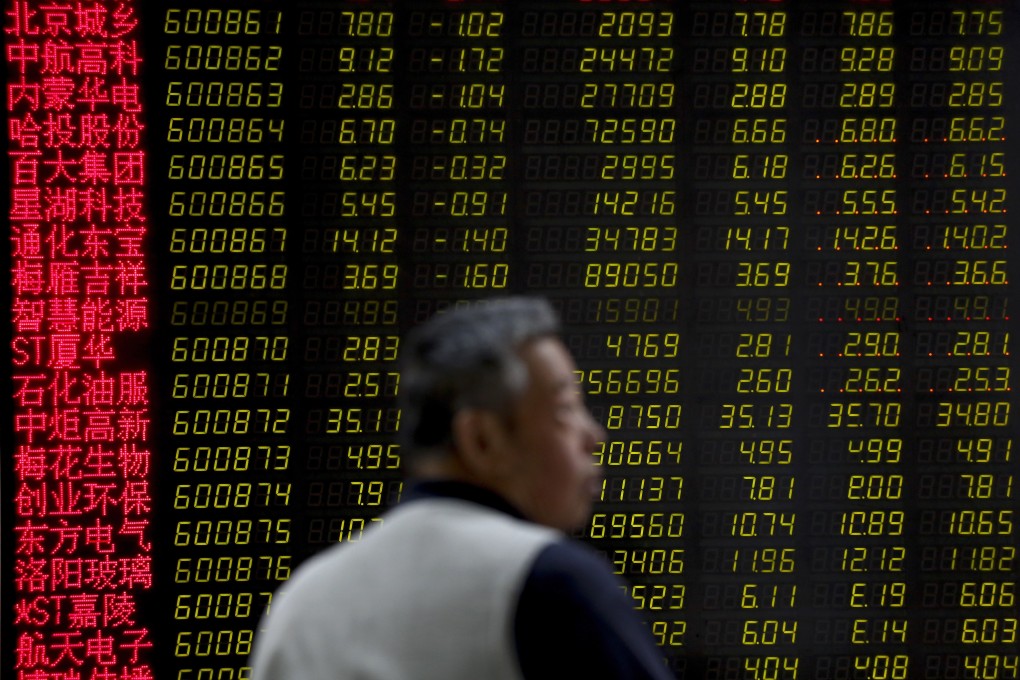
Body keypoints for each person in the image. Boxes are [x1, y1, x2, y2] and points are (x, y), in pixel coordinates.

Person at [249, 296, 674, 679]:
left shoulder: (297, 605)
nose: (594, 436)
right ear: (482, 440)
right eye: (565, 409)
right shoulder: (549, 581)